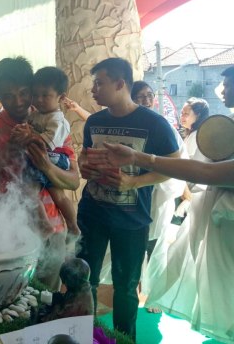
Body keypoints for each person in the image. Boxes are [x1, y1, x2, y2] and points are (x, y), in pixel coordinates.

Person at [102, 66, 234, 343]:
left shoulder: (160, 126)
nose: (222, 90)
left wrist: (141, 161)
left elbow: (208, 173)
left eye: (227, 84)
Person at [76, 58, 180, 340]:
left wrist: (135, 181)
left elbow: (172, 165)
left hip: (132, 219)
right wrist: (82, 165)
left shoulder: (154, 123)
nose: (94, 89)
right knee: (86, 279)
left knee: (126, 287)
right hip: (92, 213)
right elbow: (85, 157)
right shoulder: (95, 122)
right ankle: (86, 335)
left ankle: (124, 339)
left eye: (100, 83)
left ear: (121, 84)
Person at [0, 57, 80, 292]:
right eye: (8, 96)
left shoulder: (51, 123)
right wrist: (9, 149)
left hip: (51, 228)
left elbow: (73, 180)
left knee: (46, 296)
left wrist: (46, 166)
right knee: (9, 302)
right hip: (4, 230)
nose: (18, 102)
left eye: (23, 93)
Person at [130, 80, 186, 314]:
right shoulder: (130, 125)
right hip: (133, 195)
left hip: (158, 196)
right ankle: (133, 292)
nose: (146, 100)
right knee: (135, 246)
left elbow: (178, 161)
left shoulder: (163, 126)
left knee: (156, 245)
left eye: (149, 96)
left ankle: (155, 296)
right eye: (140, 97)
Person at [29, 66, 80, 240]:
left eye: (45, 95)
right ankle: (72, 226)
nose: (39, 99)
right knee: (57, 195)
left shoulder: (58, 120)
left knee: (31, 190)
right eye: (35, 95)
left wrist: (27, 136)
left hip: (53, 158)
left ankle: (50, 225)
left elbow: (46, 143)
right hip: (48, 157)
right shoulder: (38, 115)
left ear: (61, 97)